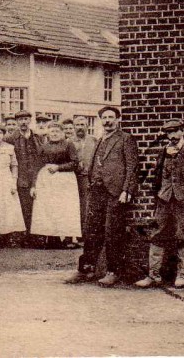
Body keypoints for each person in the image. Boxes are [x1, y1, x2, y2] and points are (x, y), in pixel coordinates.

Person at [66, 106, 138, 287]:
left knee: (112, 231)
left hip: (115, 192)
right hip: (97, 191)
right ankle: (86, 269)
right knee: (91, 230)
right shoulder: (99, 140)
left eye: (111, 117)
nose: (107, 121)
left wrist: (126, 190)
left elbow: (131, 166)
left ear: (118, 119)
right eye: (104, 118)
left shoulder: (125, 139)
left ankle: (113, 271)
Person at [135, 119, 184, 289]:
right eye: (169, 132)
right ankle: (153, 275)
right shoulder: (163, 152)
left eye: (175, 131)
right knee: (157, 233)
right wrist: (158, 194)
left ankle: (182, 275)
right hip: (164, 199)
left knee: (182, 234)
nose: (172, 135)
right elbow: (157, 176)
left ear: (182, 131)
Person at [30, 121, 82, 245]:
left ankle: (68, 239)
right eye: (52, 131)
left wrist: (58, 167)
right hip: (47, 180)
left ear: (62, 133)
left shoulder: (69, 145)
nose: (54, 134)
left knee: (66, 208)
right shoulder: (44, 146)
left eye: (57, 131)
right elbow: (37, 165)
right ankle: (53, 238)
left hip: (65, 180)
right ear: (48, 133)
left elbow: (75, 163)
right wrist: (33, 185)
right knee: (49, 208)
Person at [7, 110, 43, 234]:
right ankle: (24, 234)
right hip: (20, 176)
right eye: (20, 120)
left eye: (26, 119)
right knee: (22, 206)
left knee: (36, 205)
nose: (23, 122)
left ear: (30, 121)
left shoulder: (37, 137)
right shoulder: (10, 139)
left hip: (36, 175)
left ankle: (35, 234)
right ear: (17, 122)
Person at [70, 115, 100, 229]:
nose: (80, 127)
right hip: (73, 178)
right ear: (74, 127)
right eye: (77, 125)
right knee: (75, 205)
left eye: (82, 125)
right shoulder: (69, 141)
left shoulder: (94, 140)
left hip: (89, 178)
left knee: (87, 204)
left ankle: (86, 230)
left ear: (87, 126)